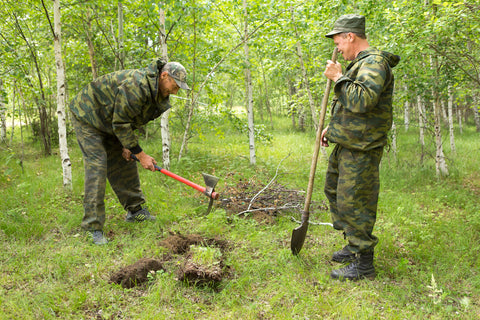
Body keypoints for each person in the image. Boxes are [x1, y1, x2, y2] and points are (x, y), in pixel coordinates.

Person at [70, 59, 190, 245]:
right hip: (88, 116)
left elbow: (128, 120)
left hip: (111, 120)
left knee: (124, 161)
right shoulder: (138, 85)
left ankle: (135, 211)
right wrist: (141, 155)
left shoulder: (155, 92)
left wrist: (128, 146)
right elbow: (121, 123)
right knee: (98, 165)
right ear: (164, 76)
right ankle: (92, 227)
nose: (175, 91)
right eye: (175, 86)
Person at [321, 14, 400, 280]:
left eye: (338, 42)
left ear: (350, 36)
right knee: (334, 190)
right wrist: (331, 129)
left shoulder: (374, 63)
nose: (338, 48)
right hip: (348, 142)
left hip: (362, 148)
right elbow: (350, 109)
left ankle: (363, 264)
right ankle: (353, 242)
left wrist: (338, 77)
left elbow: (362, 100)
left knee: (354, 202)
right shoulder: (360, 64)